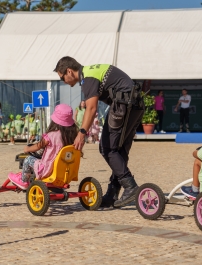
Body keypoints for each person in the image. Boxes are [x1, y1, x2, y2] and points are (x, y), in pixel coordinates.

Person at [54, 56, 144, 208]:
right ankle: (113, 192)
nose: (64, 81)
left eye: (62, 77)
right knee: (119, 150)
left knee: (107, 148)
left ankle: (130, 187)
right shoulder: (90, 72)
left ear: (69, 71)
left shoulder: (87, 78)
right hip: (134, 105)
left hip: (123, 104)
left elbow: (91, 108)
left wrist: (81, 133)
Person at [8, 104, 78, 189]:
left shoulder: (51, 135)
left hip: (47, 170)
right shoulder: (73, 137)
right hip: (65, 172)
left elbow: (38, 146)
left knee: (28, 159)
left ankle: (24, 181)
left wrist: (27, 149)